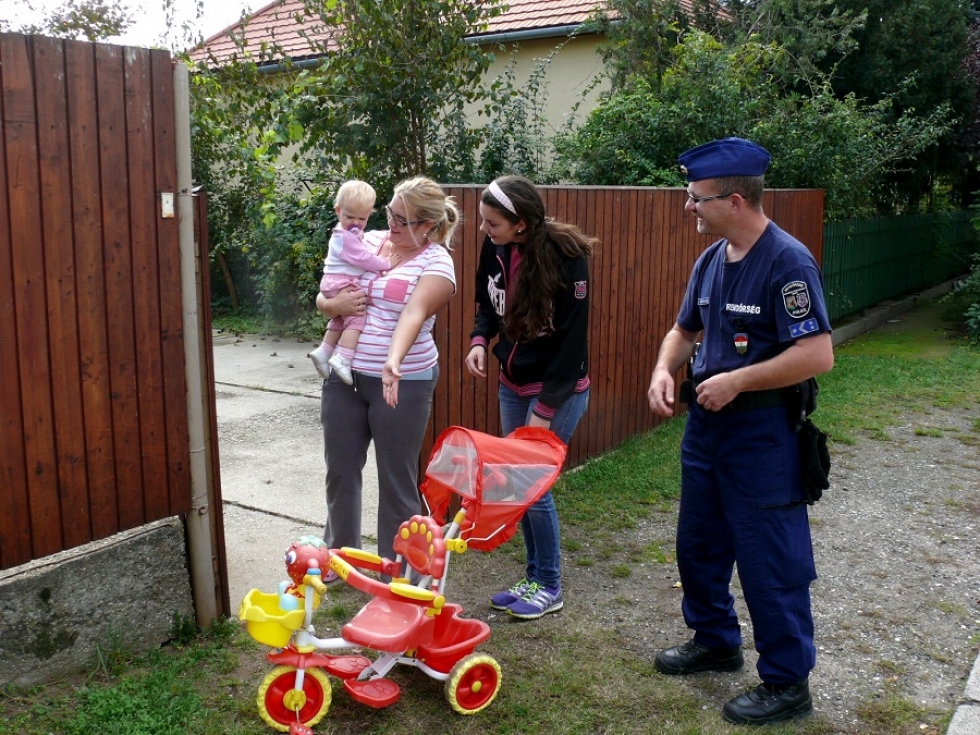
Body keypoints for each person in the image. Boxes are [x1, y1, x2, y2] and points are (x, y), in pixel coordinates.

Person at [646, 137, 834, 725]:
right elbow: (685, 330)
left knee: (768, 559)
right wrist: (662, 368)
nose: (689, 208)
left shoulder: (787, 262)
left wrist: (740, 382)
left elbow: (818, 353)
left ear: (733, 200)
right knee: (698, 542)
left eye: (696, 199)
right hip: (707, 429)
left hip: (761, 433)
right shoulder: (711, 260)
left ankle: (786, 681)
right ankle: (716, 641)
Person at [465, 175, 596, 620]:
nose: (485, 230)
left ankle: (551, 584)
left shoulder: (567, 258)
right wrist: (480, 340)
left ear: (520, 224)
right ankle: (535, 575)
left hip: (556, 389)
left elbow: (572, 344)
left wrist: (545, 409)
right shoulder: (494, 248)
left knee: (531, 486)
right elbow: (486, 301)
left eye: (493, 224)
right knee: (519, 485)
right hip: (512, 382)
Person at [316, 176, 459, 581]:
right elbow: (326, 290)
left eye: (402, 220)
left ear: (427, 226)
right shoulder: (370, 239)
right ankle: (340, 558)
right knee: (340, 470)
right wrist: (332, 303)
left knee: (396, 478)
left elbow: (414, 314)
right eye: (390, 215)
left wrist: (392, 361)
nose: (389, 225)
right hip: (345, 377)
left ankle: (396, 570)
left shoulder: (437, 263)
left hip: (404, 383)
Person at [307, 180, 401, 384]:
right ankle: (343, 358)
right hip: (342, 282)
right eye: (350, 216)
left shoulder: (350, 233)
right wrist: (386, 263)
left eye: (362, 218)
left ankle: (324, 352)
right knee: (356, 317)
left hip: (334, 281)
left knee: (341, 319)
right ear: (338, 210)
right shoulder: (346, 238)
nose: (356, 223)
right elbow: (364, 260)